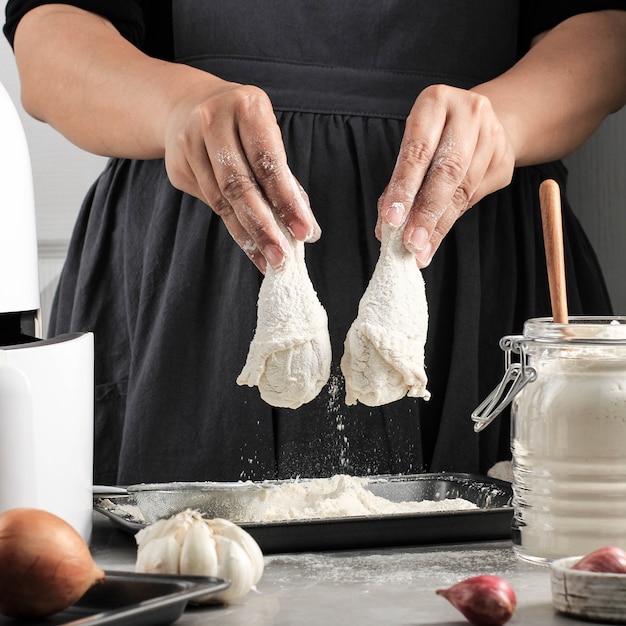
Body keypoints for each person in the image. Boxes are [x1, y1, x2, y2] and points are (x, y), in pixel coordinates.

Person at [4, 2, 626, 486]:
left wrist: (503, 123)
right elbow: (51, 38)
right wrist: (178, 108)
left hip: (475, 264)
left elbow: (603, 30)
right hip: (193, 277)